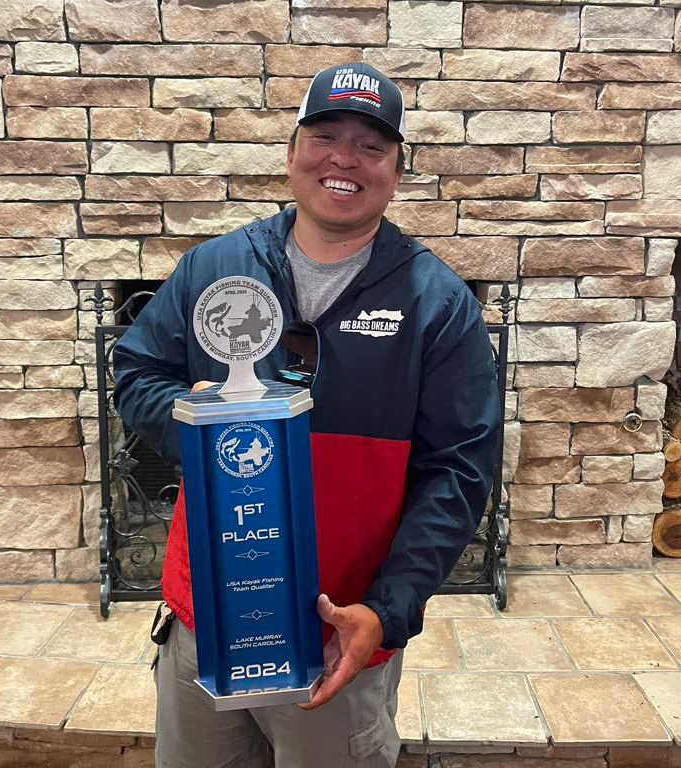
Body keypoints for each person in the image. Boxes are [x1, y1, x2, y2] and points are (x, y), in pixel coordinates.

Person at [113, 62, 501, 768]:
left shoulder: (438, 303)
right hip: (206, 622)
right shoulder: (213, 269)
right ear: (292, 153)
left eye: (371, 145)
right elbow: (136, 371)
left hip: (339, 639)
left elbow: (460, 473)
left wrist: (387, 611)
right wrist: (196, 427)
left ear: (397, 169)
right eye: (325, 136)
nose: (344, 159)